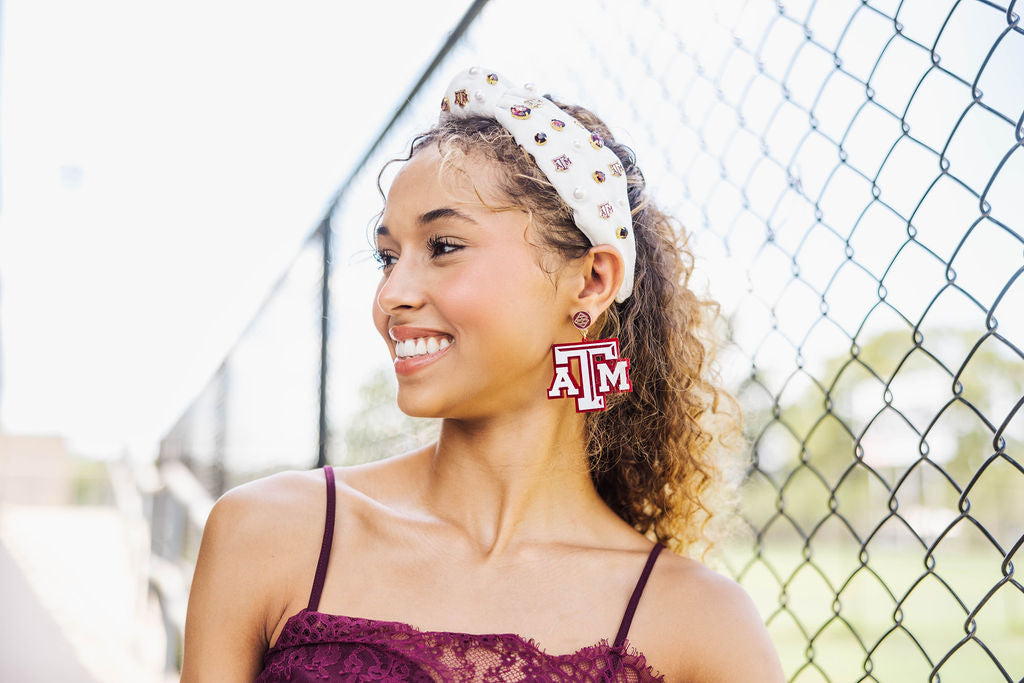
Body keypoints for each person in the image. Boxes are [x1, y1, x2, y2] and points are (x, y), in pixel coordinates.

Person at [181, 66, 785, 682]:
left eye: (443, 246)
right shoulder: (271, 532)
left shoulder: (699, 625)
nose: (392, 294)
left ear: (592, 280)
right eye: (388, 257)